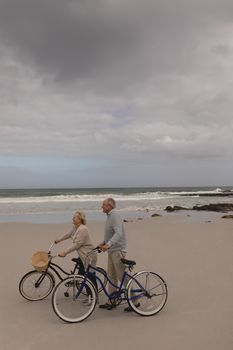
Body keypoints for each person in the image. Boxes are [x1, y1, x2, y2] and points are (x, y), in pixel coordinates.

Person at [98, 198, 138, 312]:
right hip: (112, 250)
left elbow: (119, 233)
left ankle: (135, 301)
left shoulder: (114, 215)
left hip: (118, 250)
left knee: (121, 276)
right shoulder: (110, 216)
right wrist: (104, 242)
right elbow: (111, 233)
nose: (102, 206)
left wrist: (109, 244)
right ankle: (112, 300)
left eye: (103, 205)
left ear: (109, 206)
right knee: (111, 276)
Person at [54, 211, 97, 291]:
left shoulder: (83, 229)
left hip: (89, 255)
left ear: (80, 219)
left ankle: (93, 297)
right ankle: (80, 285)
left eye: (74, 217)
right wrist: (59, 239)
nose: (72, 218)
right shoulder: (75, 227)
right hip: (83, 256)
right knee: (83, 275)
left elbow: (77, 245)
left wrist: (65, 252)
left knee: (89, 277)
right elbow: (68, 234)